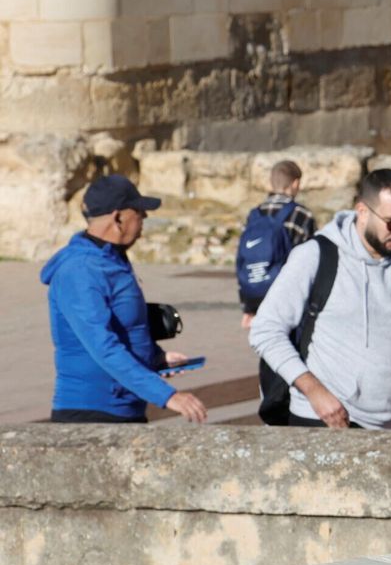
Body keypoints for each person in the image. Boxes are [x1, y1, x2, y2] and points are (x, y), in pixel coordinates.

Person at [250, 169, 391, 429]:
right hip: (323, 419)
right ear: (362, 212)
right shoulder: (316, 255)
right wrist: (315, 392)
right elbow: (265, 331)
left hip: (386, 424)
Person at [40, 175, 208, 425]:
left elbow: (125, 328)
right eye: (139, 212)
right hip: (91, 414)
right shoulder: (79, 271)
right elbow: (102, 346)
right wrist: (167, 395)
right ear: (118, 218)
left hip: (125, 408)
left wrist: (155, 356)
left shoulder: (112, 259)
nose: (145, 219)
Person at [237, 159, 318, 329]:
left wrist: (247, 305)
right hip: (288, 295)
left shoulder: (254, 214)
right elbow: (311, 259)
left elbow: (244, 257)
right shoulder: (301, 214)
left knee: (266, 342)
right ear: (295, 183)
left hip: (255, 294)